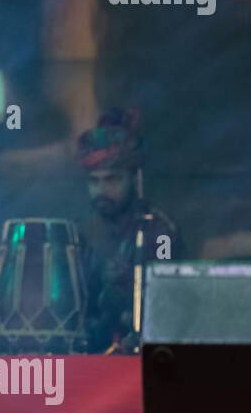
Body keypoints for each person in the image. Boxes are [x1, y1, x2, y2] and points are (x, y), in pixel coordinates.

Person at [76, 107, 183, 354]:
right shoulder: (81, 231)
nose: (102, 190)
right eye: (94, 181)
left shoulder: (160, 232)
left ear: (134, 179)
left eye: (112, 179)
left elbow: (169, 306)